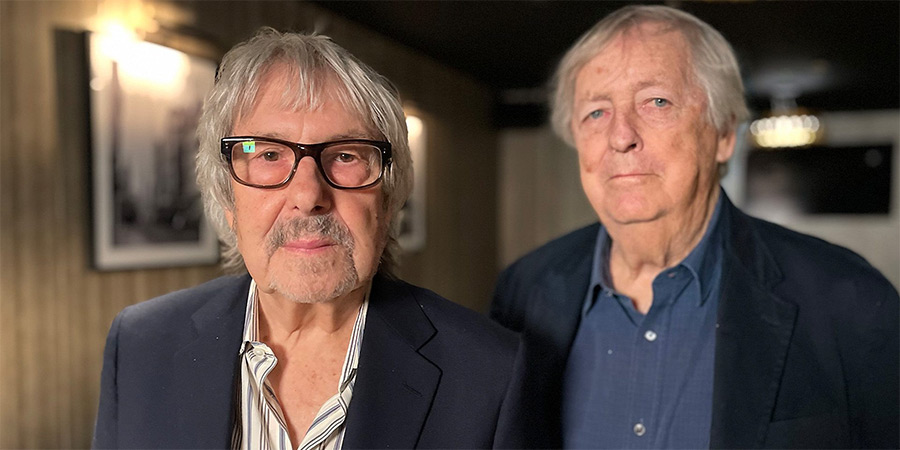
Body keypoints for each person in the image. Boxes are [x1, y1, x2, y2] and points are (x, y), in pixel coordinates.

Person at [491, 5, 899, 449]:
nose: (620, 135)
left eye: (657, 101)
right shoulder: (524, 288)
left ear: (724, 134)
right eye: (596, 112)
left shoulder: (849, 299)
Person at [93, 28, 522, 450]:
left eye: (346, 156)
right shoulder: (140, 344)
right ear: (227, 198)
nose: (308, 196)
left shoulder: (488, 372)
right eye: (268, 155)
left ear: (389, 198)